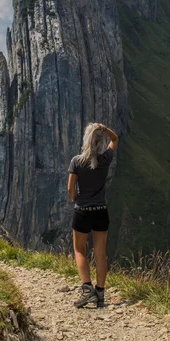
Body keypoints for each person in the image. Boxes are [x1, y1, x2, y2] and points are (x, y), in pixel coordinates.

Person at [67, 122, 119, 308]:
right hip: (100, 211)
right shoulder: (105, 159)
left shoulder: (76, 161)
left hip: (82, 211)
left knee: (79, 250)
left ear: (86, 141)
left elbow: (70, 187)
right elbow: (115, 139)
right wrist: (104, 128)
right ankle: (101, 293)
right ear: (99, 142)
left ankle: (87, 289)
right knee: (100, 254)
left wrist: (76, 198)